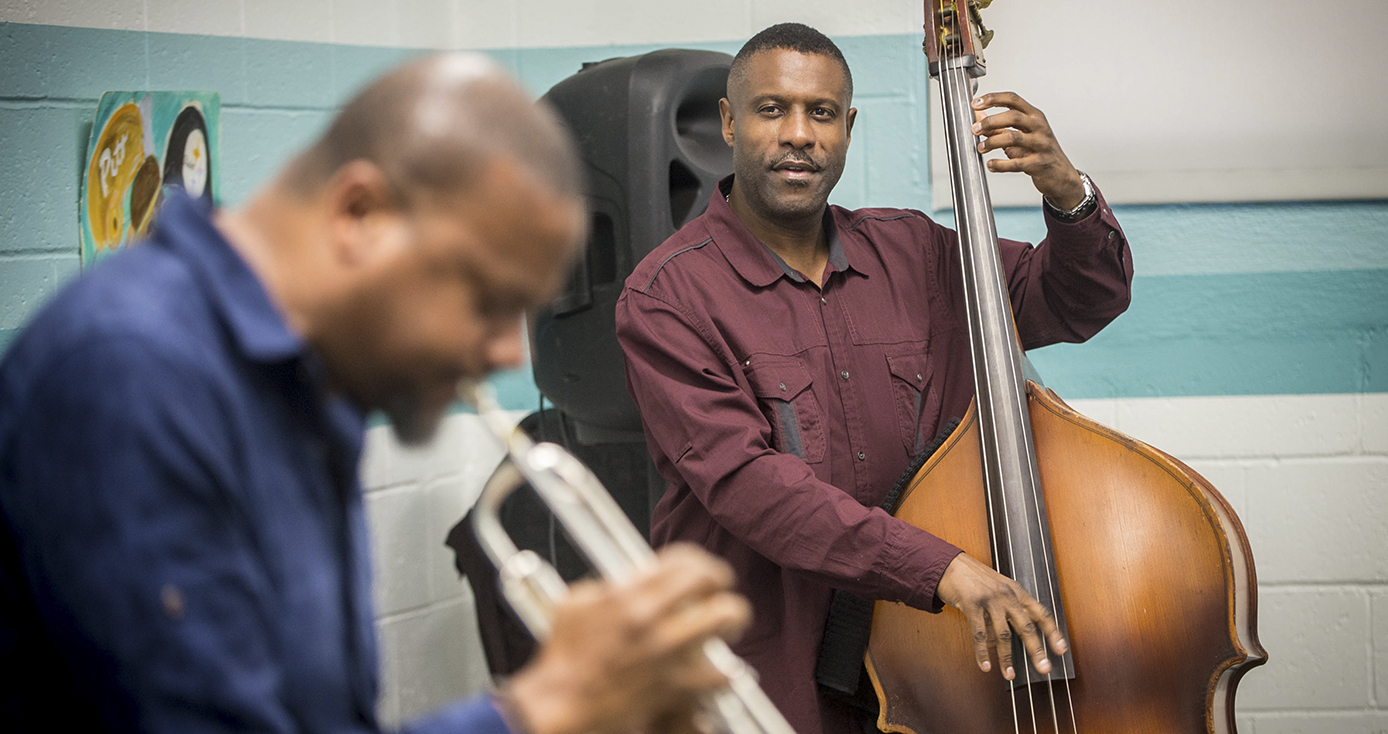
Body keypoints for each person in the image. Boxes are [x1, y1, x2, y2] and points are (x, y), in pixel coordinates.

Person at [0, 54, 751, 734]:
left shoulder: (310, 381)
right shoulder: (134, 371)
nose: (500, 352)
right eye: (488, 299)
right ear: (360, 213)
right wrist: (546, 706)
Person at [615, 23, 1133, 734]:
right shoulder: (665, 296)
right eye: (772, 110)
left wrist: (1066, 193)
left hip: (930, 657)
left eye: (821, 113)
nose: (799, 133)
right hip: (769, 670)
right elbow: (749, 486)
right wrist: (942, 569)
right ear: (731, 123)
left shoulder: (917, 251)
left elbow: (1080, 300)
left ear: (848, 127)